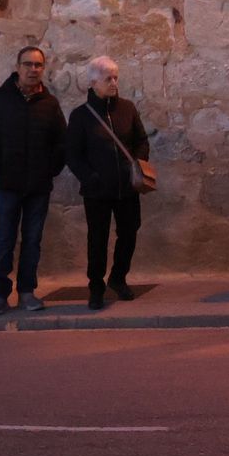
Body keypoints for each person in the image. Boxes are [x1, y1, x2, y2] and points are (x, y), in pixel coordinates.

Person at [0, 46, 67, 316]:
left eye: (38, 65)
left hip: (38, 186)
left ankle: (27, 292)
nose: (33, 70)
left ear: (43, 69)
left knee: (33, 240)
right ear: (18, 67)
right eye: (28, 64)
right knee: (4, 240)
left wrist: (51, 169)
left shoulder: (50, 104)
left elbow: (62, 141)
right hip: (8, 184)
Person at [66, 56, 149, 311]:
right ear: (93, 83)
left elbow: (141, 140)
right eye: (108, 79)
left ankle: (118, 277)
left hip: (127, 187)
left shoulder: (127, 109)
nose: (114, 83)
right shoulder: (81, 116)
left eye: (116, 78)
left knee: (129, 231)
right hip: (97, 191)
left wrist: (137, 165)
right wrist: (91, 177)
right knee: (98, 238)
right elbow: (73, 154)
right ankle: (96, 286)